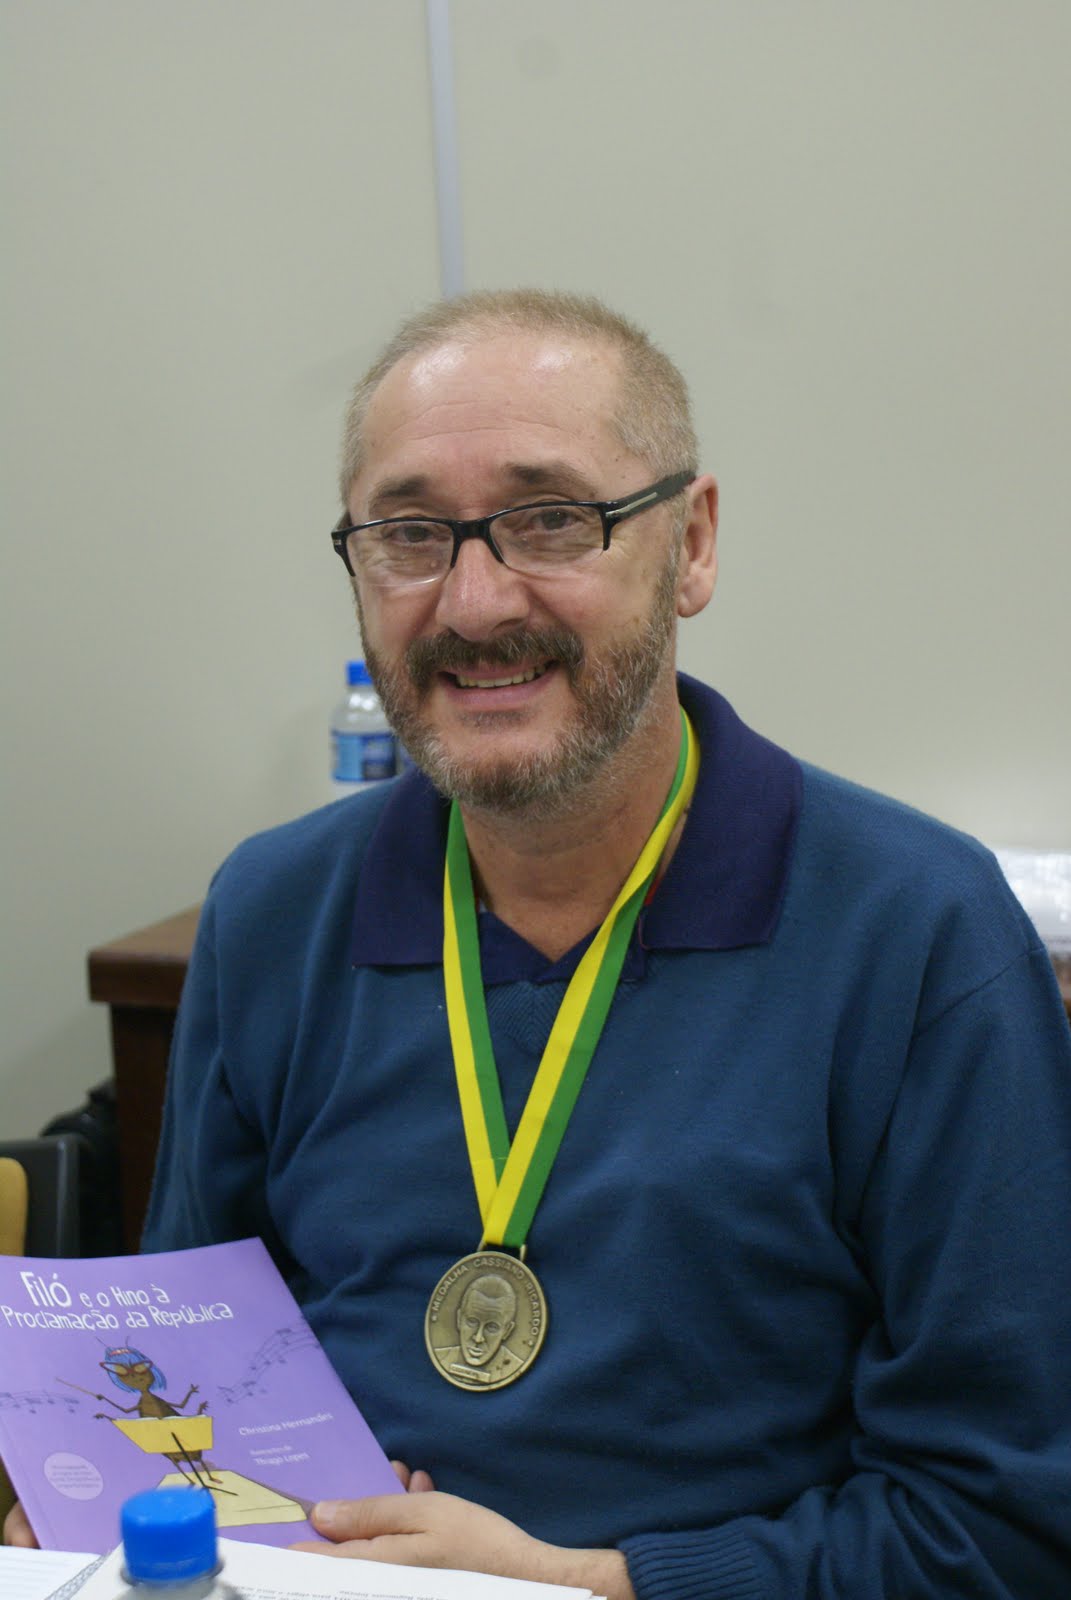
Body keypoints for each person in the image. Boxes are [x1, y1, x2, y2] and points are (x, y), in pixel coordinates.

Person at [7, 291, 1069, 1596]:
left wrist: (580, 1584)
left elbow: (1008, 1525)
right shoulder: (273, 917)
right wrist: (102, 1496)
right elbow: (188, 1391)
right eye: (409, 534)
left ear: (693, 545)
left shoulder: (918, 937)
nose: (473, 600)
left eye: (551, 518)